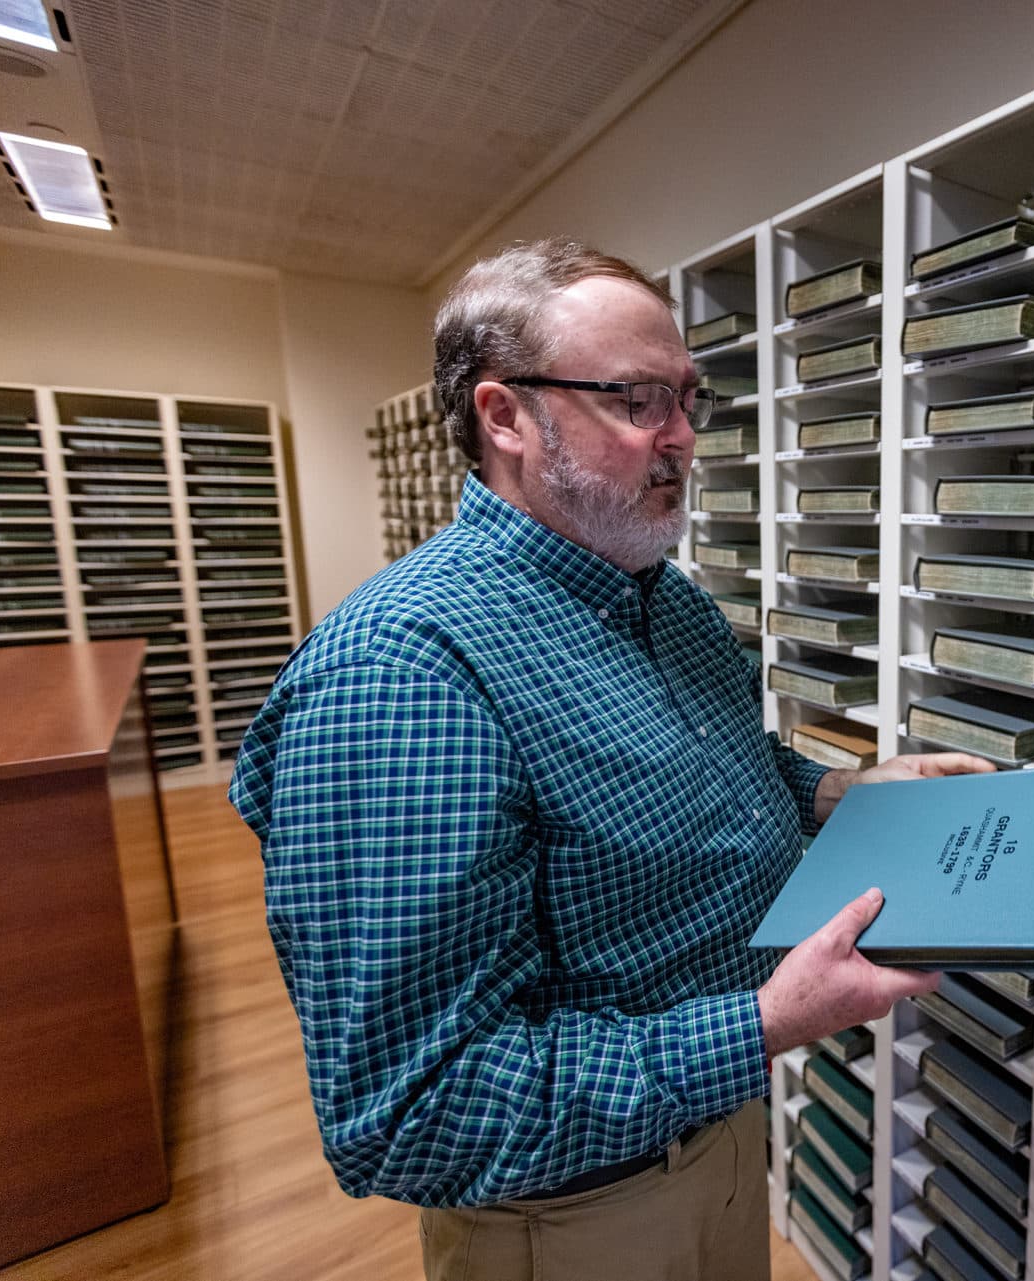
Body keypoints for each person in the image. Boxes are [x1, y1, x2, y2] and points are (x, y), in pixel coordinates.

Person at [230, 238, 992, 1280]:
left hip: (720, 1133)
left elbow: (712, 766)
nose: (682, 438)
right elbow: (413, 1113)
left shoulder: (659, 592)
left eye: (689, 398)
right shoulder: (402, 672)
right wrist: (766, 1022)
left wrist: (836, 792)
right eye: (636, 400)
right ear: (504, 418)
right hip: (573, 1222)